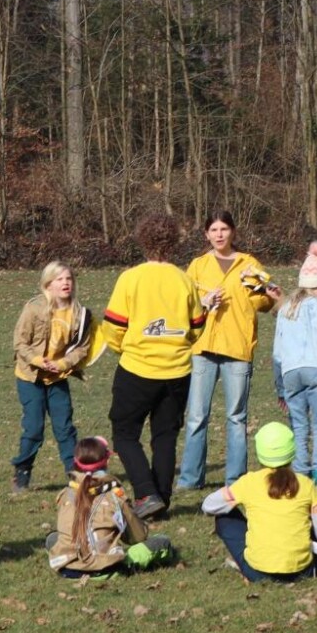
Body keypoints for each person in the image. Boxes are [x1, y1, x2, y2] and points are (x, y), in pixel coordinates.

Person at [95, 213, 208, 518]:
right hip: (178, 371)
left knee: (124, 434)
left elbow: (113, 326)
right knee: (165, 436)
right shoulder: (184, 280)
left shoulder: (131, 278)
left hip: (138, 368)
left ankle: (146, 492)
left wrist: (123, 348)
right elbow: (198, 326)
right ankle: (161, 500)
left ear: (141, 240)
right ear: (174, 242)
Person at [176, 212, 279, 493]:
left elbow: (265, 304)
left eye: (224, 229)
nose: (219, 234)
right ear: (206, 234)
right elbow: (184, 303)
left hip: (237, 347)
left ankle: (236, 479)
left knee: (236, 417)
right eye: (214, 230)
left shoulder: (250, 263)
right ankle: (190, 479)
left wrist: (254, 287)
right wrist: (204, 301)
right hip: (203, 347)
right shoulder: (198, 265)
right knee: (196, 416)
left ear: (233, 232)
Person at [201, 423, 317, 583]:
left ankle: (253, 555)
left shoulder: (249, 482)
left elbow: (209, 505)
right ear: (292, 451)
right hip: (303, 571)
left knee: (224, 516)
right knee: (313, 519)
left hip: (256, 572)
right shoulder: (305, 485)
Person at [11, 262, 94, 492]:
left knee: (64, 427)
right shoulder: (34, 309)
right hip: (31, 377)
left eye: (68, 279)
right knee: (34, 428)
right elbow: (20, 343)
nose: (65, 283)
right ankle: (22, 470)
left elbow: (82, 348)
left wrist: (63, 363)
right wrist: (38, 360)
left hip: (58, 378)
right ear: (48, 284)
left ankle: (75, 473)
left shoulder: (80, 314)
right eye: (59, 279)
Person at [47, 436, 174, 578]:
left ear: (75, 463)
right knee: (162, 542)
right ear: (106, 462)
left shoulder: (65, 494)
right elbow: (137, 537)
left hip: (68, 568)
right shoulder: (114, 496)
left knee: (53, 538)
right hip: (106, 568)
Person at [270, 254, 317, 492]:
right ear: (316, 285)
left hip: (290, 373)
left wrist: (280, 387)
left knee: (298, 427)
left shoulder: (286, 307)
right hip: (314, 370)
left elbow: (277, 351)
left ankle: (300, 477)